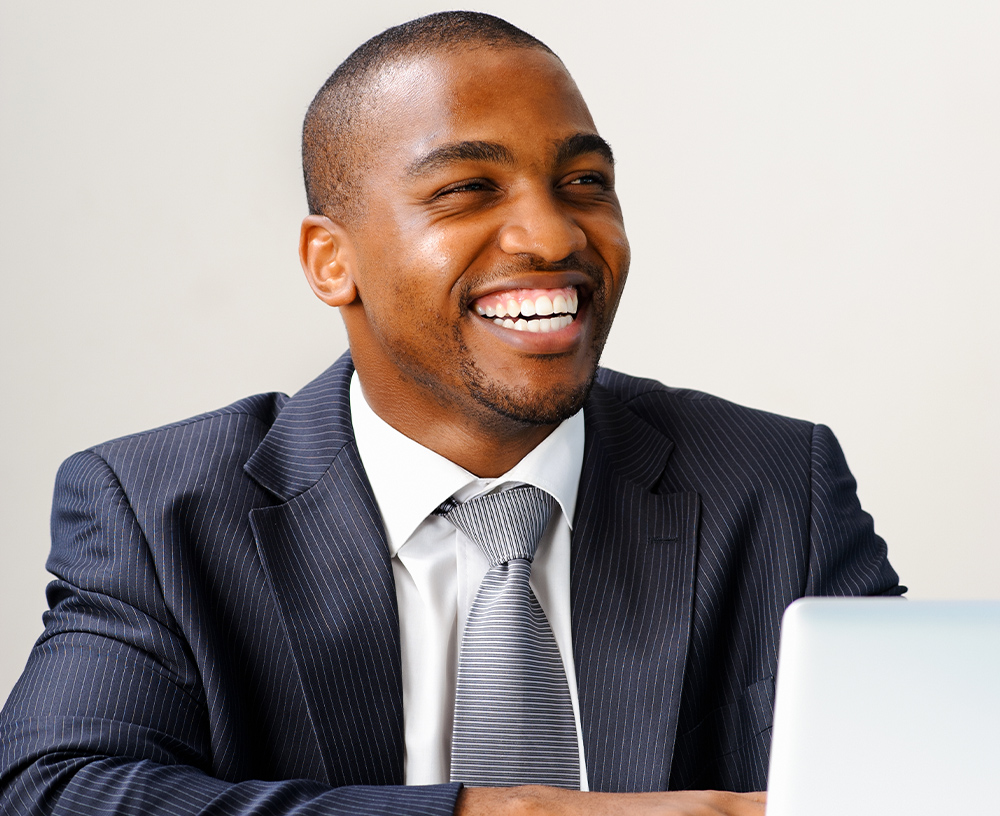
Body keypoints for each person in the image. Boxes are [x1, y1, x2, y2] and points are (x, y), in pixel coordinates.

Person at [0, 11, 903, 816]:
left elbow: (917, 775)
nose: (553, 237)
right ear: (330, 261)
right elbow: (57, 788)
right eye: (467, 190)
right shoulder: (158, 511)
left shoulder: (780, 484)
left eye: (585, 183)